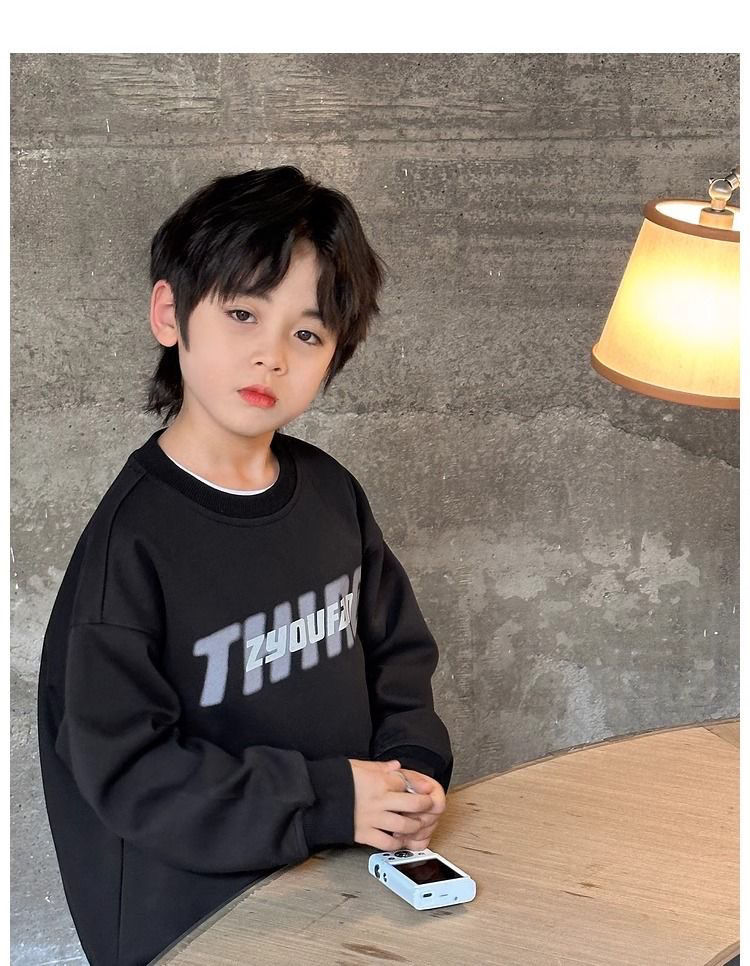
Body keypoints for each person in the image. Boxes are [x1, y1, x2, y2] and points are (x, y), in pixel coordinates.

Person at [37, 165, 453, 966]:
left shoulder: (331, 494)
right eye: (242, 314)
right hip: (193, 923)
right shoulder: (132, 546)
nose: (270, 357)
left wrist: (411, 771)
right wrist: (331, 799)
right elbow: (130, 773)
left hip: (341, 879)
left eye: (307, 334)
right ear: (170, 313)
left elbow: (398, 654)